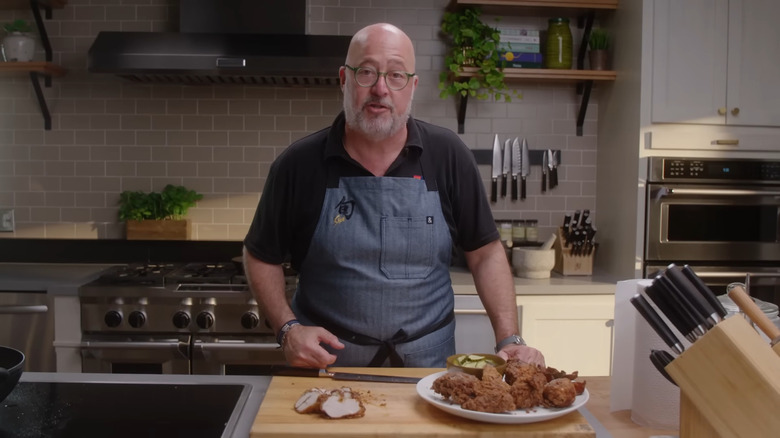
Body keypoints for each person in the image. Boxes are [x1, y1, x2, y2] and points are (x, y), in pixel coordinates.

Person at [243, 23, 545, 369]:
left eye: (396, 75)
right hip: (326, 372)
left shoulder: (446, 155)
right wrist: (288, 329)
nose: (381, 89)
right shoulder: (299, 164)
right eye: (367, 72)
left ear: (412, 86)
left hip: (430, 375)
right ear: (344, 78)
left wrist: (510, 339)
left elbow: (486, 252)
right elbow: (259, 255)